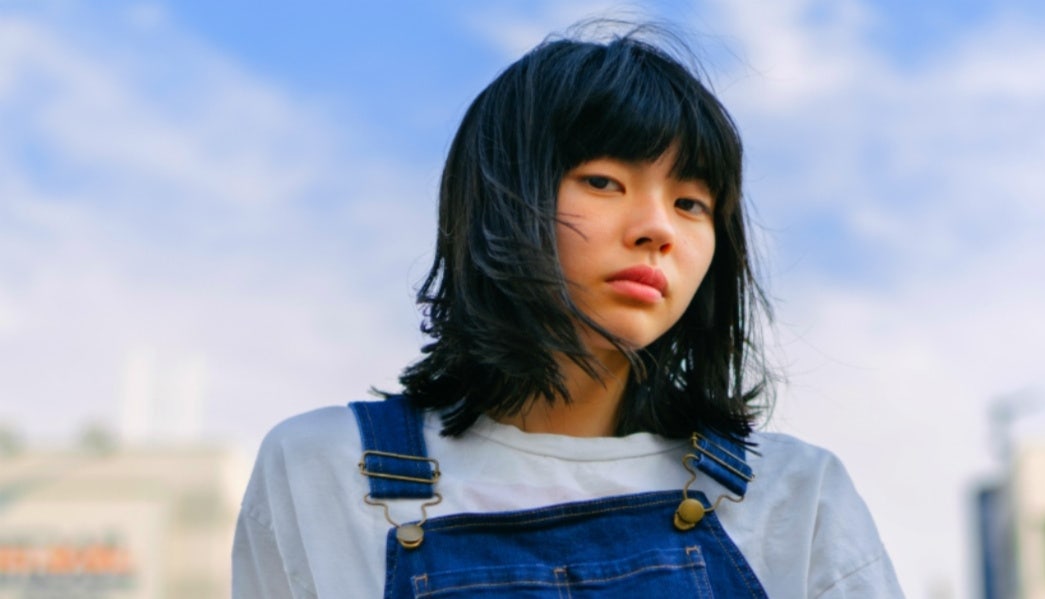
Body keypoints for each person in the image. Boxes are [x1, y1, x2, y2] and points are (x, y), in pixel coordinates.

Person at [233, 23, 904, 599]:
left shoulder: (794, 494)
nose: (656, 228)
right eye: (604, 182)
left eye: (691, 203)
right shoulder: (323, 467)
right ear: (501, 198)